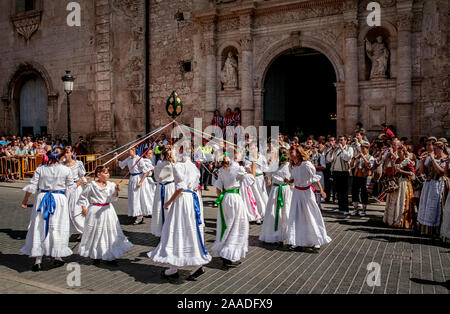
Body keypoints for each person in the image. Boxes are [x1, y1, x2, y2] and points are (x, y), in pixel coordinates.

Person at [148, 153, 211, 280]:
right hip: (192, 201)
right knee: (189, 231)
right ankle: (193, 265)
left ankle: (174, 268)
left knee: (174, 230)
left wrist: (168, 202)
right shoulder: (193, 166)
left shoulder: (178, 167)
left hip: (181, 201)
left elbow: (180, 188)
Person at [20, 149, 74, 271]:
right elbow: (71, 189)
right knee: (57, 226)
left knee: (40, 225)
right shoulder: (66, 170)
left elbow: (32, 186)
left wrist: (25, 200)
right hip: (59, 200)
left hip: (42, 198)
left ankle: (38, 260)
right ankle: (57, 257)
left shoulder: (40, 169)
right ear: (61, 157)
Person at [78, 166, 132, 265]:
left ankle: (110, 256)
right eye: (106, 173)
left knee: (109, 233)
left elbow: (113, 198)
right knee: (96, 233)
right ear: (99, 175)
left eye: (108, 173)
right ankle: (96, 254)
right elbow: (82, 197)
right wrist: (84, 207)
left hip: (107, 211)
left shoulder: (111, 185)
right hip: (95, 211)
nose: (108, 175)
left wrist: (116, 190)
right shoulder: (92, 185)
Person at [285, 146, 330, 253]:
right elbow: (293, 179)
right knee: (297, 216)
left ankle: (316, 241)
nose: (291, 154)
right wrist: (288, 181)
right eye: (290, 152)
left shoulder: (307, 165)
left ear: (298, 153)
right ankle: (298, 241)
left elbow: (314, 178)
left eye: (293, 152)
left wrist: (321, 190)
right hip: (296, 193)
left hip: (306, 193)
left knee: (310, 215)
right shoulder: (291, 166)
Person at [212, 154, 249, 268]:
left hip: (225, 198)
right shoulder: (237, 167)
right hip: (235, 198)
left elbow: (218, 188)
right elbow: (248, 176)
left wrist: (221, 198)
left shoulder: (222, 170)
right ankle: (229, 253)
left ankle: (224, 251)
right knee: (237, 225)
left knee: (226, 224)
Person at [259, 149, 292, 244]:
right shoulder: (275, 164)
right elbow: (268, 174)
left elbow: (292, 178)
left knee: (285, 211)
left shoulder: (289, 166)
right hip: (276, 190)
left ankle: (285, 234)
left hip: (285, 191)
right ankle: (274, 234)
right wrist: (269, 179)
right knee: (274, 211)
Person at [417, 140, 448, 236]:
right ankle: (425, 229)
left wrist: (433, 159)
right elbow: (422, 172)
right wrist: (422, 161)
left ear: (441, 149)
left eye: (435, 149)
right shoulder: (431, 157)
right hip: (428, 184)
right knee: (426, 206)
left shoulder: (445, 158)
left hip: (438, 184)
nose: (433, 151)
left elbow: (441, 172)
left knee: (435, 206)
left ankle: (435, 230)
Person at [383, 145, 416, 228]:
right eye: (398, 152)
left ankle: (400, 221)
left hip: (404, 182)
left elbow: (412, 174)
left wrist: (402, 171)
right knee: (393, 200)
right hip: (396, 182)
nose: (398, 154)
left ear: (404, 153)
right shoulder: (397, 160)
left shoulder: (408, 161)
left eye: (400, 152)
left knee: (401, 201)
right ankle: (391, 220)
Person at [116, 147, 147, 225]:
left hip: (137, 179)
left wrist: (140, 182)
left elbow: (145, 172)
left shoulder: (139, 159)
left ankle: (139, 216)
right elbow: (120, 164)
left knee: (136, 198)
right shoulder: (129, 159)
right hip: (132, 179)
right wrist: (116, 157)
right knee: (132, 197)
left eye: (129, 150)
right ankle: (134, 214)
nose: (127, 152)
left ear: (133, 150)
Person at [151, 147, 176, 237]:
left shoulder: (159, 164)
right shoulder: (173, 165)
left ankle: (160, 230)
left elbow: (157, 177)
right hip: (170, 188)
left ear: (162, 155)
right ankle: (169, 231)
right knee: (169, 209)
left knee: (159, 208)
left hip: (160, 187)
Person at [63, 146, 87, 236]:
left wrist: (82, 181)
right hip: (66, 189)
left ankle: (83, 230)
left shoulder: (78, 163)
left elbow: (82, 175)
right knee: (67, 211)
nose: (66, 154)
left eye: (68, 152)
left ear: (72, 153)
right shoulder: (62, 165)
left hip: (76, 189)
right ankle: (68, 231)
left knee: (76, 210)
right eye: (65, 152)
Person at [326, 135, 354, 215]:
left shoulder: (349, 148)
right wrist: (331, 151)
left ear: (346, 141)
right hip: (335, 172)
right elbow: (329, 159)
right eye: (339, 140)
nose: (340, 142)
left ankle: (346, 209)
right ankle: (340, 207)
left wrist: (342, 149)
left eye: (342, 140)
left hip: (344, 172)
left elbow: (348, 157)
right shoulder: (336, 149)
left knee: (344, 191)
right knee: (337, 191)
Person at [350, 141, 374, 216]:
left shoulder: (371, 157)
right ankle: (355, 208)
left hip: (365, 176)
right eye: (361, 148)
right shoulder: (358, 156)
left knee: (364, 193)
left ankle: (364, 210)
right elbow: (351, 166)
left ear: (367, 149)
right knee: (354, 192)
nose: (362, 150)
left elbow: (369, 165)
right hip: (357, 175)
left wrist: (363, 156)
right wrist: (354, 158)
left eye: (364, 148)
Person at [311, 144, 326, 210]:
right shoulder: (309, 156)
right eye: (312, 148)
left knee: (319, 189)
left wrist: (314, 166)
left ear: (317, 149)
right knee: (312, 189)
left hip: (318, 173)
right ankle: (313, 204)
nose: (313, 149)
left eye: (315, 148)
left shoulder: (320, 156)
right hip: (311, 173)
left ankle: (318, 204)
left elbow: (323, 166)